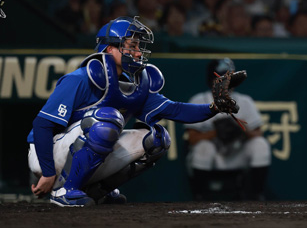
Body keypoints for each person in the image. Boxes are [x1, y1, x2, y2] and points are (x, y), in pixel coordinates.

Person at [27, 16, 243, 207]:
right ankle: (64, 192)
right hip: (47, 153)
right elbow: (42, 125)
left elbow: (175, 110)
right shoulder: (79, 79)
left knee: (157, 139)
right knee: (107, 120)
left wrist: (215, 107)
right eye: (132, 46)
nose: (138, 52)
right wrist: (48, 173)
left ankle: (96, 190)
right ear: (109, 48)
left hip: (79, 147)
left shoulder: (134, 84)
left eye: (138, 46)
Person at [185, 58, 271, 200]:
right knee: (203, 147)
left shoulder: (245, 101)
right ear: (211, 80)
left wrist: (241, 130)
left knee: (260, 145)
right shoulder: (199, 100)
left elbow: (258, 133)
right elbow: (192, 138)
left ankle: (257, 195)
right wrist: (217, 132)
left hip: (237, 153)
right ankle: (200, 196)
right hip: (213, 156)